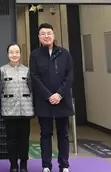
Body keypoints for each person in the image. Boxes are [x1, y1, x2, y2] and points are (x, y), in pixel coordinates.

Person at [29, 23, 74, 172]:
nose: (46, 36)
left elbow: (69, 75)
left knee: (63, 134)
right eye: (43, 34)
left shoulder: (64, 53)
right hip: (44, 100)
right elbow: (34, 77)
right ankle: (46, 165)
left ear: (54, 35)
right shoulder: (35, 54)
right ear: (39, 37)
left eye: (49, 33)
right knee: (45, 134)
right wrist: (48, 95)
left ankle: (64, 165)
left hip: (62, 100)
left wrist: (59, 94)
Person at [1, 44, 35, 172]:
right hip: (9, 110)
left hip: (25, 110)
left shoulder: (27, 70)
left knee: (24, 140)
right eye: (11, 52)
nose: (14, 55)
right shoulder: (2, 70)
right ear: (7, 54)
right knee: (11, 140)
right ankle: (13, 165)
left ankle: (24, 165)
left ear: (20, 54)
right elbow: (0, 89)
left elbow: (32, 89)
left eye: (17, 52)